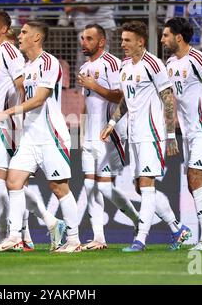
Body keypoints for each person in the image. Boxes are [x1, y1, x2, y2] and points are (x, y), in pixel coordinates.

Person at [0, 10, 66, 252]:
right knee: (1, 181)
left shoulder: (9, 51)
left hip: (9, 126)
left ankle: (6, 236)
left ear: (5, 28)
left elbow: (23, 86)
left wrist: (18, 120)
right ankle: (39, 228)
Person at [0, 21, 82, 253]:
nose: (18, 35)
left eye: (24, 32)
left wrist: (7, 113)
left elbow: (39, 99)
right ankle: (14, 237)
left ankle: (74, 241)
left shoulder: (49, 62)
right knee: (14, 181)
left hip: (51, 135)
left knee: (59, 187)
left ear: (37, 37)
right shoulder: (27, 65)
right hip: (30, 136)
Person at [101, 21, 191, 252]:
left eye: (127, 40)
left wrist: (170, 135)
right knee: (141, 188)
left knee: (147, 186)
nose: (123, 44)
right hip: (134, 136)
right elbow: (126, 99)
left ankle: (140, 239)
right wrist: (112, 122)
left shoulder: (153, 64)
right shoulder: (124, 66)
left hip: (152, 134)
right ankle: (177, 228)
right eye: (122, 40)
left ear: (141, 41)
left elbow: (168, 98)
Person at [161, 17, 202, 250]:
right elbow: (168, 99)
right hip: (188, 133)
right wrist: (171, 134)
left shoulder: (198, 59)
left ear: (178, 37)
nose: (162, 39)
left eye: (166, 35)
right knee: (193, 184)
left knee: (195, 180)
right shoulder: (170, 63)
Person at [76, 24, 140, 250]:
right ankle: (99, 238)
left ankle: (137, 221)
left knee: (103, 187)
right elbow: (86, 103)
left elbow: (120, 97)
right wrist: (81, 134)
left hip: (109, 134)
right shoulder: (84, 67)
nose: (84, 42)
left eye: (89, 39)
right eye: (83, 38)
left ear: (101, 42)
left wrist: (95, 85)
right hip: (91, 135)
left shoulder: (112, 63)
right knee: (89, 184)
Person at [61, 0, 118, 74]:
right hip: (89, 27)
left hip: (97, 27)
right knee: (84, 67)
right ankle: (83, 88)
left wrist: (72, 5)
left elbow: (92, 4)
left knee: (95, 67)